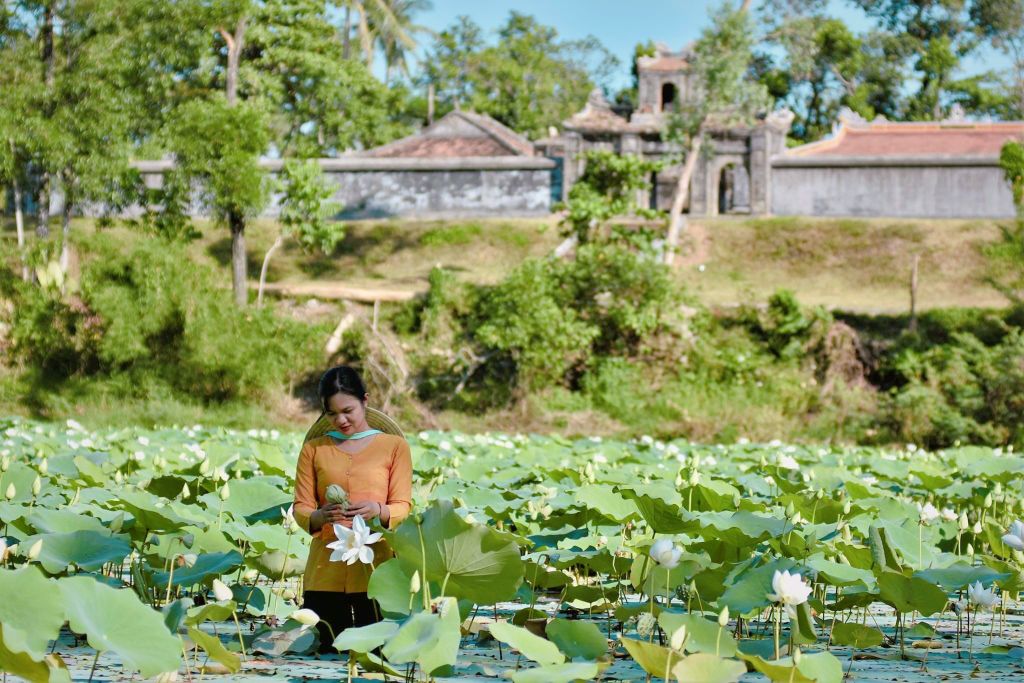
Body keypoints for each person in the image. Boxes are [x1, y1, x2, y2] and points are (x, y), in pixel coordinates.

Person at [292, 366, 413, 653]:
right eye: (331, 414)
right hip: (325, 573)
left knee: (377, 656)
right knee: (325, 654)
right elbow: (301, 507)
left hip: (376, 570)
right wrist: (319, 516)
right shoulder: (314, 449)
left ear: (365, 401)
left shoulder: (395, 447)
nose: (341, 420)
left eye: (348, 410)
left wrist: (378, 510)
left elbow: (403, 507)